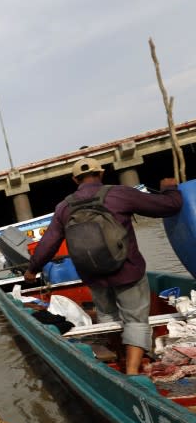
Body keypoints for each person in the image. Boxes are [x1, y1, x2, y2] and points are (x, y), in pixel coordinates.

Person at [24, 157, 182, 374]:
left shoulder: (64, 207)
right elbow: (168, 207)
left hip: (93, 275)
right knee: (135, 319)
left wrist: (32, 269)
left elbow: (48, 243)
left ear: (74, 179)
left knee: (107, 317)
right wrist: (170, 190)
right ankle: (133, 372)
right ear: (101, 173)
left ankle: (119, 359)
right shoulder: (119, 193)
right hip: (127, 270)